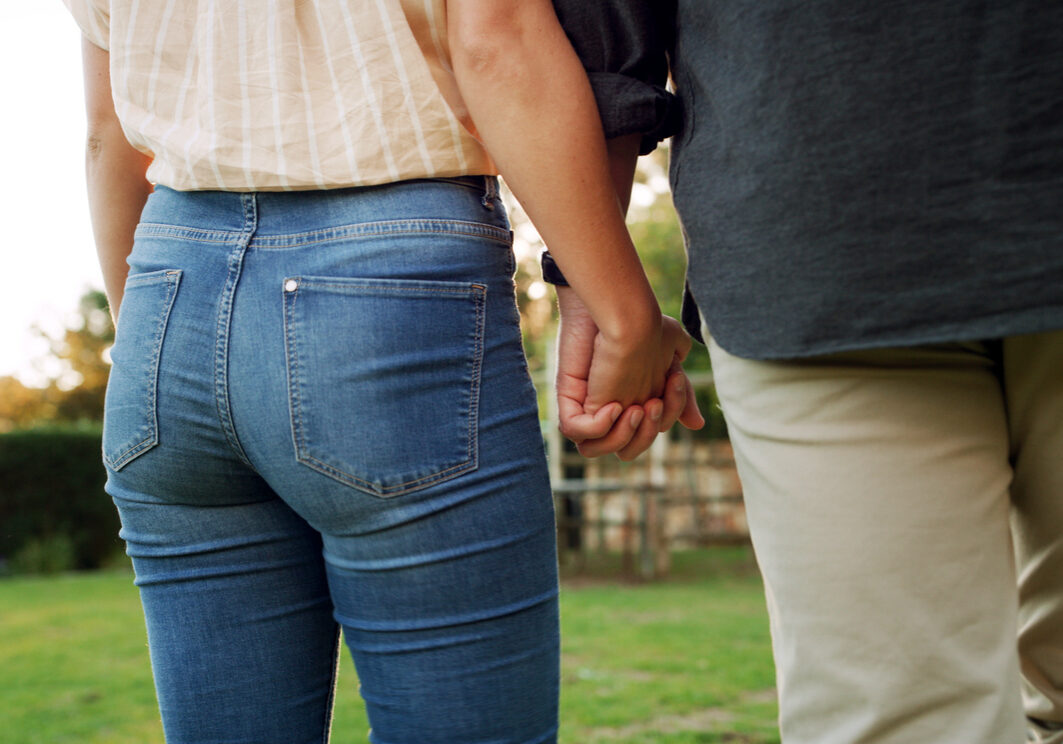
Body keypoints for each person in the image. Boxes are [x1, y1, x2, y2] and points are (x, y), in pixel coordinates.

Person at [62, 1, 696, 741]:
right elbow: (497, 39)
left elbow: (108, 134)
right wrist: (620, 310)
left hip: (167, 289)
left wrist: (147, 340)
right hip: (391, 278)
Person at [550, 2, 1063, 743]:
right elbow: (602, 31)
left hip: (805, 235)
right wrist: (594, 287)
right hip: (818, 257)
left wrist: (595, 291)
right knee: (901, 720)